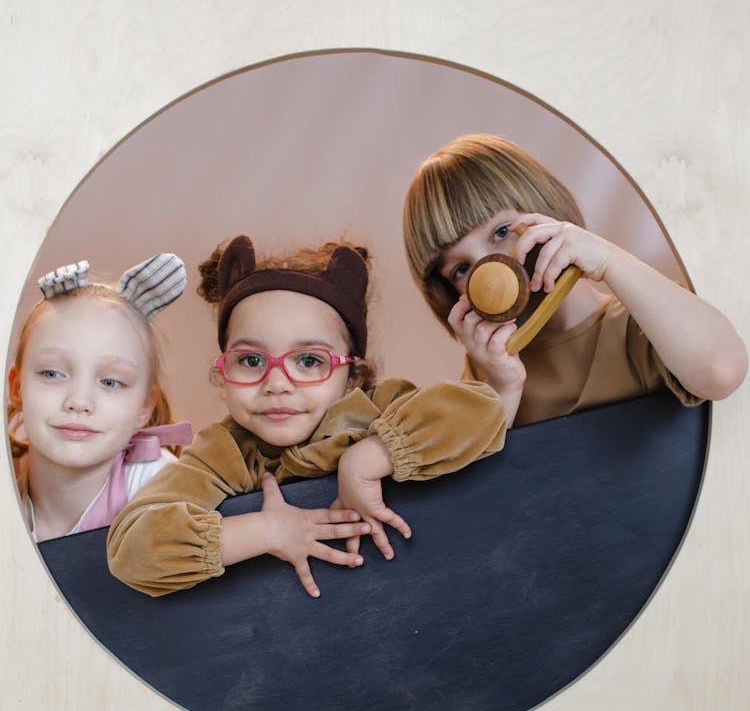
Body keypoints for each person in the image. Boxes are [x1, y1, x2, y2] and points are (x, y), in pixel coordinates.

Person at [107, 235, 511, 599]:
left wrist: (368, 458)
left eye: (308, 360)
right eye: (250, 360)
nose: (278, 383)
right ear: (222, 373)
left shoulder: (379, 408)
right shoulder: (224, 451)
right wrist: (269, 531)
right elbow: (131, 550)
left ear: (352, 374)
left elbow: (484, 408)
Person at [403, 133, 747, 426]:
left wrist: (608, 259)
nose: (487, 273)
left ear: (547, 213)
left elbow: (722, 370)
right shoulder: (487, 372)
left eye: (502, 231)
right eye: (461, 269)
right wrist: (503, 389)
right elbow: (472, 487)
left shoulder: (641, 324)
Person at [8, 253, 192, 542]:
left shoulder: (159, 488)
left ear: (144, 407)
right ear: (17, 389)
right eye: (52, 374)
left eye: (110, 381)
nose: (79, 401)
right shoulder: (8, 490)